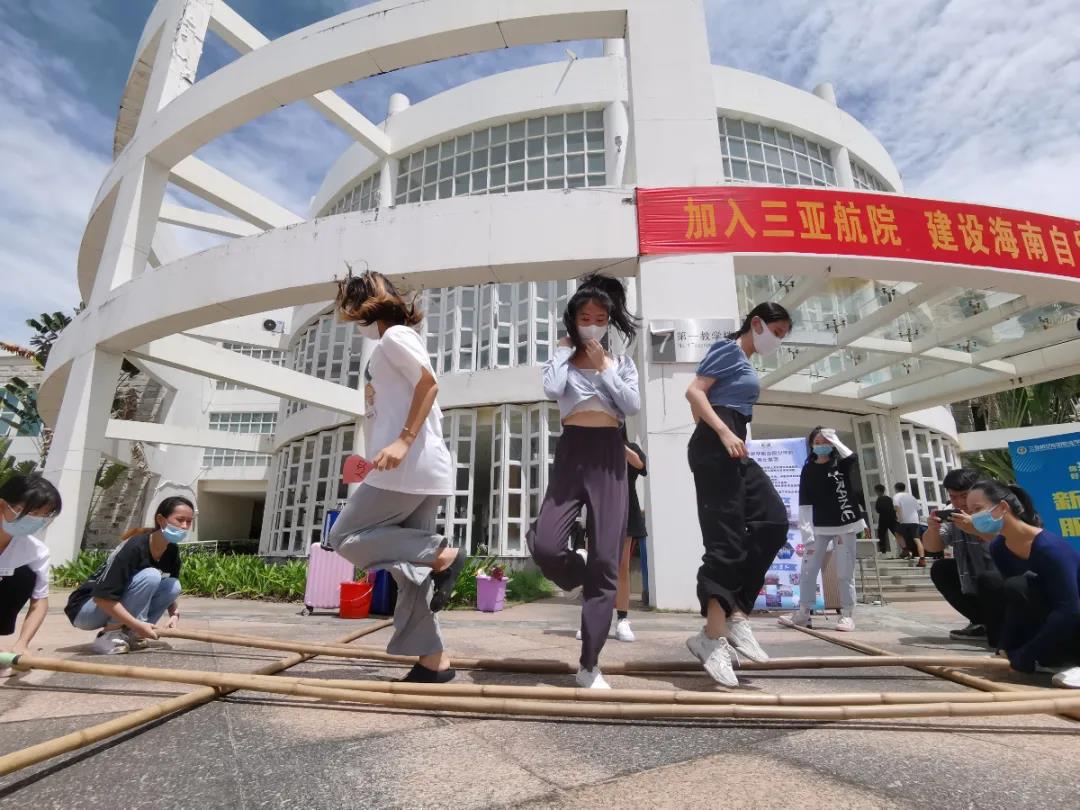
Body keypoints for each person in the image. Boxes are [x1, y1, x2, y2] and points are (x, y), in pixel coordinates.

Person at [325, 270, 463, 684]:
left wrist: (402, 441)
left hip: (408, 466)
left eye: (352, 307)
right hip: (416, 468)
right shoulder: (394, 341)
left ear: (364, 305)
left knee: (343, 537)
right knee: (412, 571)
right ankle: (433, 660)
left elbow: (428, 384)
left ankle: (444, 554)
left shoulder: (395, 337)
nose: (351, 317)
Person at [529, 273, 640, 690]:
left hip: (609, 454)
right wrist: (566, 351)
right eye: (584, 318)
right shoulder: (560, 358)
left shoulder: (621, 363)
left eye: (600, 319)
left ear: (609, 321)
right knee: (546, 545)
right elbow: (552, 388)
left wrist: (604, 368)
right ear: (573, 321)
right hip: (573, 449)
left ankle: (590, 663)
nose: (592, 325)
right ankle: (576, 569)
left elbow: (631, 405)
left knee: (607, 561)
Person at [683, 302, 792, 687]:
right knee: (725, 543)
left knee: (773, 522)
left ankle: (737, 614)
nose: (777, 341)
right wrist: (723, 432)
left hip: (733, 444)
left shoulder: (744, 361)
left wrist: (729, 433)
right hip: (719, 445)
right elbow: (694, 392)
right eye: (776, 332)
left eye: (782, 336)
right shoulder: (729, 349)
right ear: (756, 323)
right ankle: (711, 638)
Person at [964, 480, 1080, 688]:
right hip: (1052, 620)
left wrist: (1028, 653)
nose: (973, 517)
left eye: (977, 509)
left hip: (1073, 623)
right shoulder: (999, 547)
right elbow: (1015, 602)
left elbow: (1069, 609)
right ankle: (1041, 654)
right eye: (970, 511)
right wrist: (1005, 647)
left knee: (1018, 585)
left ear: (1002, 507)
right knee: (993, 582)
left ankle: (1057, 655)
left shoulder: (1050, 549)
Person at [65, 497, 192, 654]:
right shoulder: (134, 546)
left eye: (189, 521)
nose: (184, 526)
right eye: (180, 520)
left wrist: (174, 614)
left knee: (173, 585)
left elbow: (169, 589)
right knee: (151, 575)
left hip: (112, 607)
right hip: (86, 610)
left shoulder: (171, 550)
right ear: (160, 519)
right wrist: (136, 623)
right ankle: (109, 635)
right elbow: (101, 598)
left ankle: (132, 635)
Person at [778, 427, 865, 632]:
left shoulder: (841, 464)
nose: (821, 445)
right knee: (808, 570)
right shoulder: (808, 469)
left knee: (845, 572)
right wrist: (806, 531)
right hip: (819, 527)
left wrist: (834, 439)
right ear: (811, 445)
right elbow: (805, 501)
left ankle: (847, 615)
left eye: (825, 441)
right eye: (817, 442)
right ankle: (803, 613)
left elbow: (852, 457)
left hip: (845, 525)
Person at [922, 468, 1000, 641]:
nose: (959, 502)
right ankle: (980, 622)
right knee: (941, 569)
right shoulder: (954, 516)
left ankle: (1003, 623)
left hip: (1003, 581)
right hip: (974, 582)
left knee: (991, 578)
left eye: (964, 496)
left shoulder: (997, 511)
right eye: (953, 497)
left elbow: (1012, 544)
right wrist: (933, 529)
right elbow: (932, 547)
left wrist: (976, 528)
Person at [0, 474, 62, 677]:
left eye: (45, 515)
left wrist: (22, 644)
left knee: (24, 577)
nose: (37, 521)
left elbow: (39, 601)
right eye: (32, 513)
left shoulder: (35, 551)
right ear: (2, 505)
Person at [615, 426, 647, 642]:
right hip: (601, 510)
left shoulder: (631, 448)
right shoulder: (597, 448)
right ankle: (591, 619)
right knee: (597, 567)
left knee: (622, 566)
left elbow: (640, 465)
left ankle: (622, 619)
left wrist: (619, 445)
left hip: (626, 510)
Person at [893, 482, 926, 566]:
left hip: (904, 520)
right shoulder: (911, 497)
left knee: (897, 533)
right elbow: (918, 509)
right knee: (917, 539)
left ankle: (905, 550)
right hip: (915, 521)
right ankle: (922, 559)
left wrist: (899, 518)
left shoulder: (896, 496)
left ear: (896, 489)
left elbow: (897, 508)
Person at [873, 484, 897, 555]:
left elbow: (878, 510)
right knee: (896, 533)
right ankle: (905, 549)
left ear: (878, 491)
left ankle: (883, 552)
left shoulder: (879, 499)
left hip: (883, 519)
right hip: (892, 519)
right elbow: (894, 508)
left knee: (881, 535)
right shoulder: (889, 498)